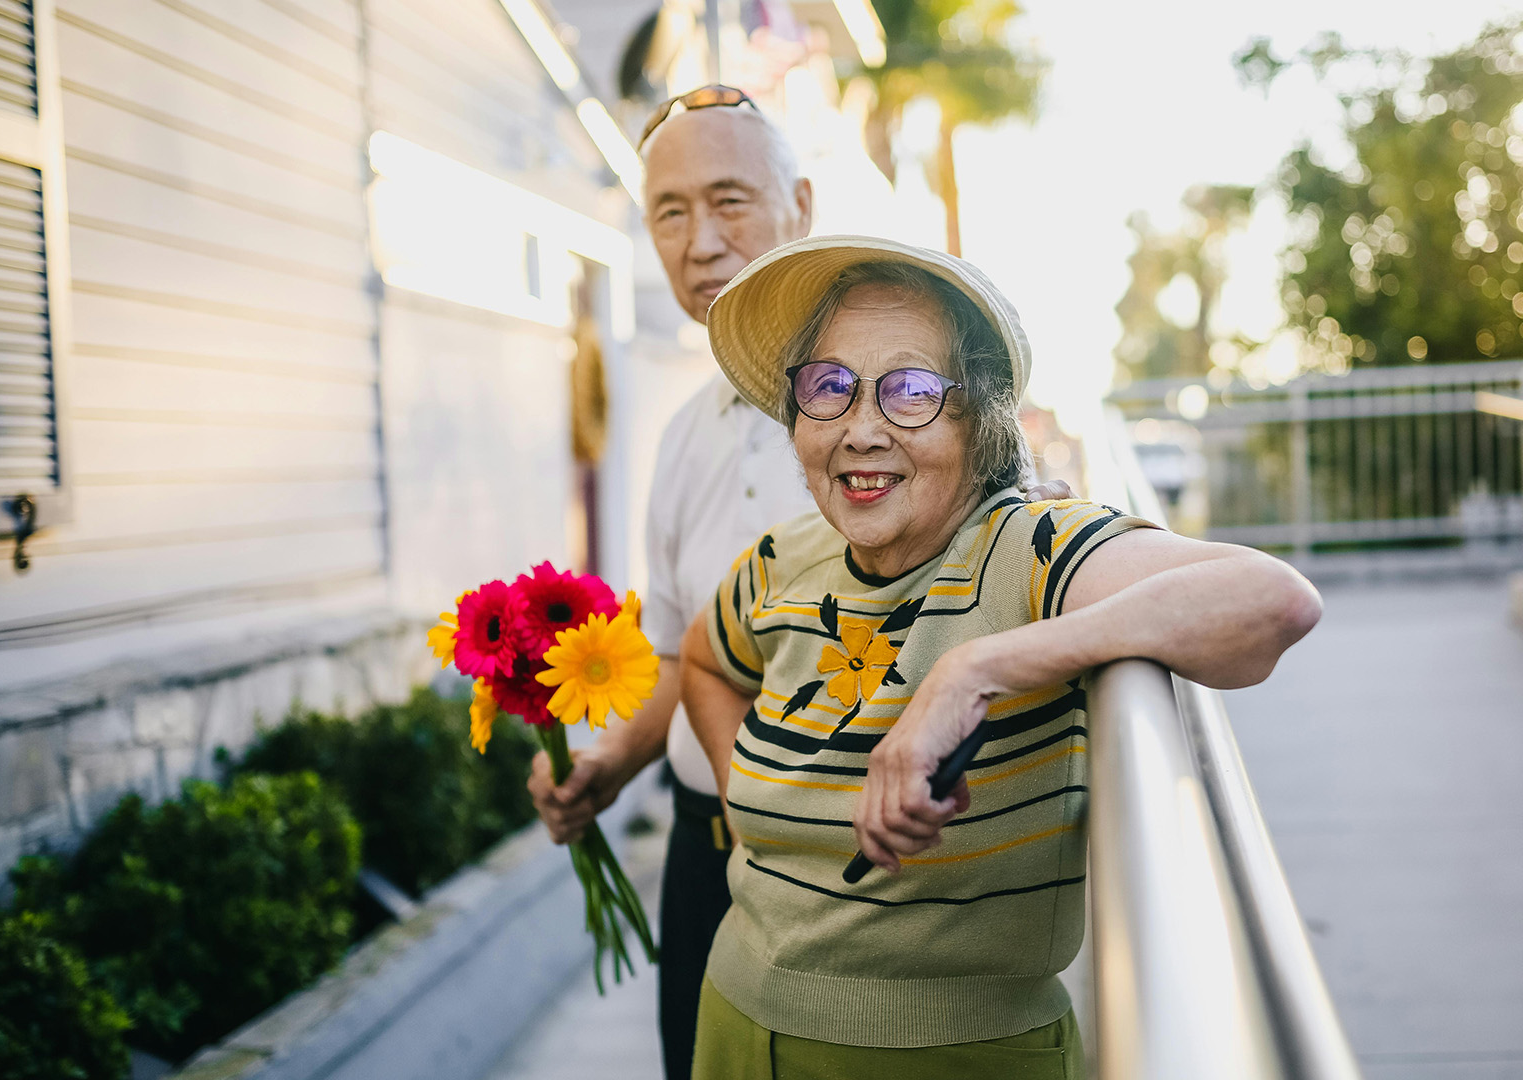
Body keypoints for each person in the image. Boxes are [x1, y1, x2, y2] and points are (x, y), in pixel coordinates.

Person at [678, 236, 1323, 1079]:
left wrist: (976, 669)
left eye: (910, 391)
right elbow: (702, 662)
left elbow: (1272, 602)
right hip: (730, 1021)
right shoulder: (777, 562)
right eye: (829, 386)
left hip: (956, 1057)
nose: (861, 429)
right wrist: (758, 814)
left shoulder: (1030, 550)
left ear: (978, 420)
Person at [525, 89, 1069, 1080]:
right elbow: (686, 644)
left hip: (884, 884)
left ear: (802, 203)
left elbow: (1030, 562)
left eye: (729, 199)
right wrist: (610, 763)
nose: (698, 241)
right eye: (669, 211)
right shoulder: (683, 435)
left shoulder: (905, 423)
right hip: (713, 859)